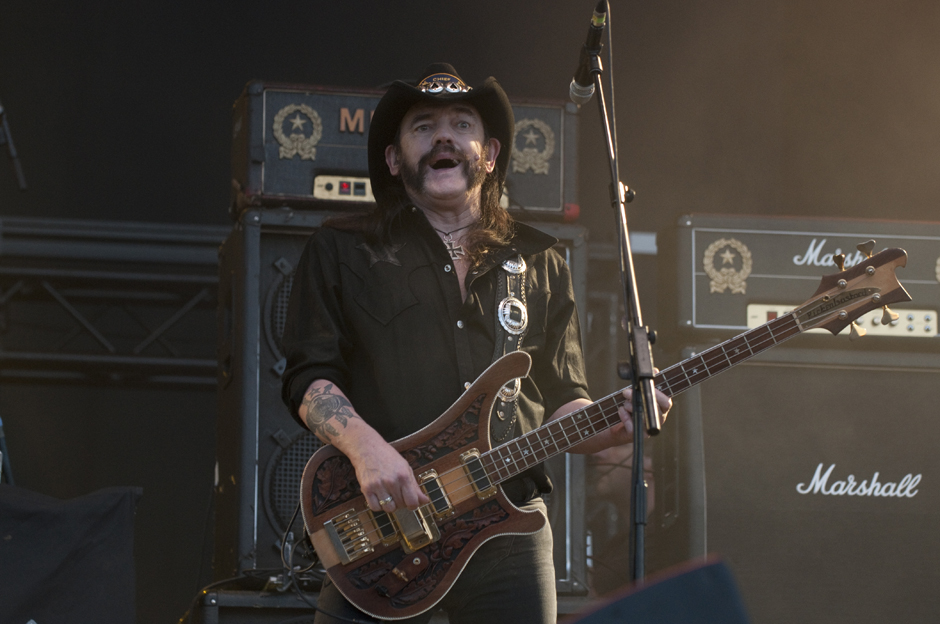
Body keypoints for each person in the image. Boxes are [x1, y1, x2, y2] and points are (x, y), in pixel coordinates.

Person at [280, 63, 671, 624]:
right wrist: (368, 452)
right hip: (388, 519)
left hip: (508, 526)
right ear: (395, 160)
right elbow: (308, 376)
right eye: (423, 126)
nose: (444, 136)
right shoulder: (343, 250)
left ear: (488, 153)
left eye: (461, 123)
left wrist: (614, 423)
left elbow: (564, 398)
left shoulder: (540, 261)